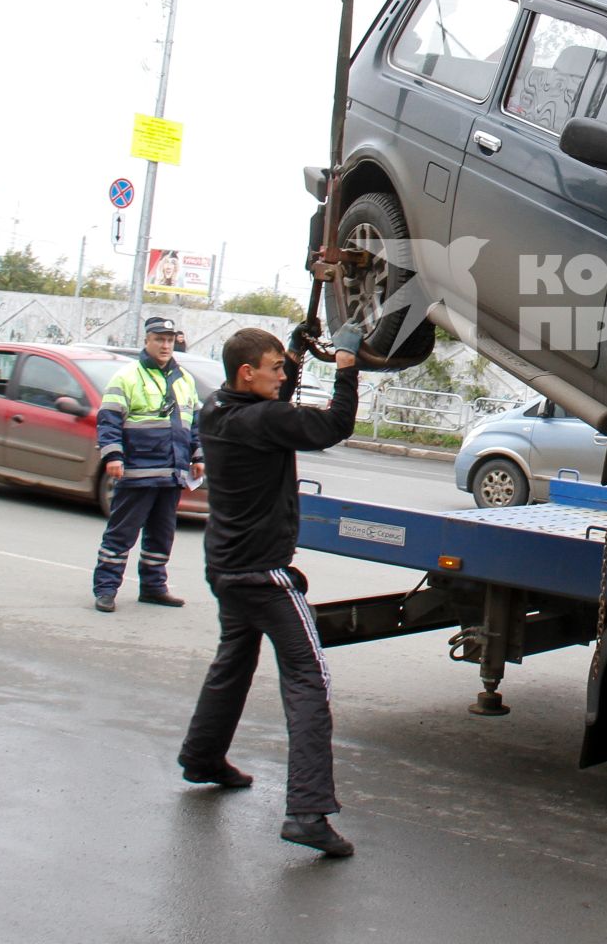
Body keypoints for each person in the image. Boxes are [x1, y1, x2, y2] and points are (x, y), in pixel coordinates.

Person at [177, 323, 363, 857]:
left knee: (233, 659)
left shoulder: (217, 408)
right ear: (247, 373)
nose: (283, 377)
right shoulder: (265, 419)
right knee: (310, 676)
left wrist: (297, 353)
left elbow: (275, 402)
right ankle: (307, 810)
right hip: (264, 575)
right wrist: (346, 364)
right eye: (276, 368)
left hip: (226, 569)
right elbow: (333, 425)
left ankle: (202, 758)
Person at [93, 316, 202, 612]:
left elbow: (194, 423)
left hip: (172, 471)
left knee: (162, 534)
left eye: (169, 340)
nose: (165, 345)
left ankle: (153, 587)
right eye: (159, 339)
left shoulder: (184, 379)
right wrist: (113, 456)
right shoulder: (127, 376)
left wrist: (198, 455)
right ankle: (105, 589)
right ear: (147, 341)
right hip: (138, 470)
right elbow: (109, 421)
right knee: (122, 532)